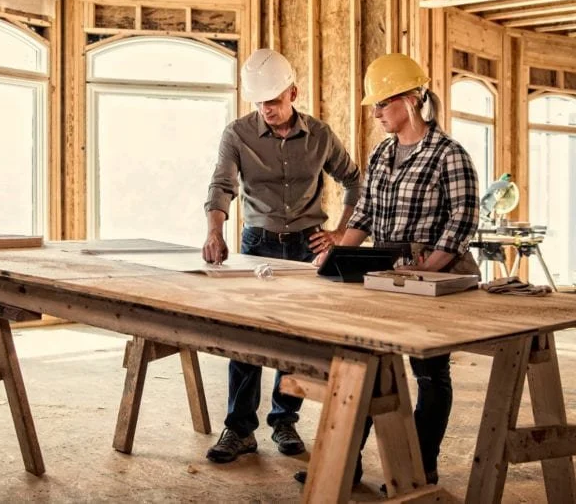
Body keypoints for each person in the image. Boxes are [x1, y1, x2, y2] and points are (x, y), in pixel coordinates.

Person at [295, 52, 480, 488]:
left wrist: (426, 270)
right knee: (366, 368)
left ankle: (418, 469)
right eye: (374, 105)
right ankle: (346, 464)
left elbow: (462, 223)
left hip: (436, 273)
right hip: (387, 272)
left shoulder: (449, 155)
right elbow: (364, 216)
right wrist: (337, 254)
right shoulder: (381, 154)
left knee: (430, 373)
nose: (376, 112)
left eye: (383, 103)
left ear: (412, 99)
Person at [202, 48, 362, 464]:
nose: (266, 110)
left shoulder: (322, 136)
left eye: (273, 101)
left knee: (295, 339)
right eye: (259, 103)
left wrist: (341, 234)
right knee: (246, 339)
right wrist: (215, 231)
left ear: (294, 92)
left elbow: (355, 182)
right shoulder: (237, 134)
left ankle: (284, 420)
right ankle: (239, 429)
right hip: (257, 245)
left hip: (308, 249)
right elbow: (222, 186)